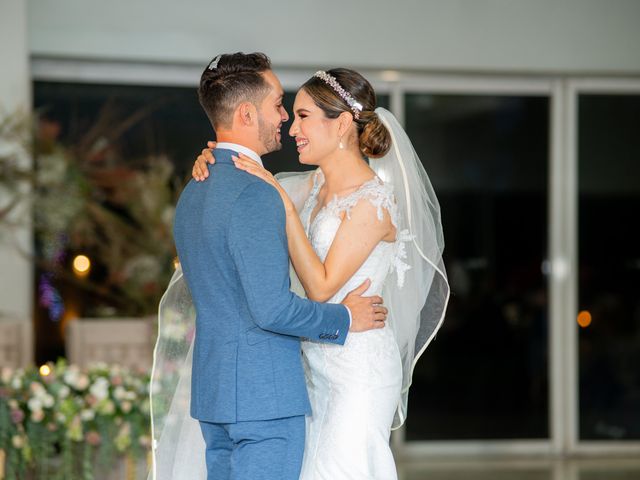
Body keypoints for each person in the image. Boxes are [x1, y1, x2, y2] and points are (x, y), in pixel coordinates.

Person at [190, 67, 450, 478]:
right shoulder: (308, 185)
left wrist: (285, 206)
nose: (292, 128)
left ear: (343, 123)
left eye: (303, 116)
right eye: (289, 114)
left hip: (357, 368)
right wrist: (212, 160)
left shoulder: (373, 202)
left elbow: (322, 286)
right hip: (313, 368)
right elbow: (242, 195)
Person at [151, 53, 389, 480]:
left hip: (218, 393)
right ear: (246, 112)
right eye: (280, 106)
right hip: (265, 396)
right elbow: (272, 309)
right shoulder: (258, 192)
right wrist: (346, 318)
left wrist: (212, 158)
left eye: (298, 112)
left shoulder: (195, 191)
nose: (285, 120)